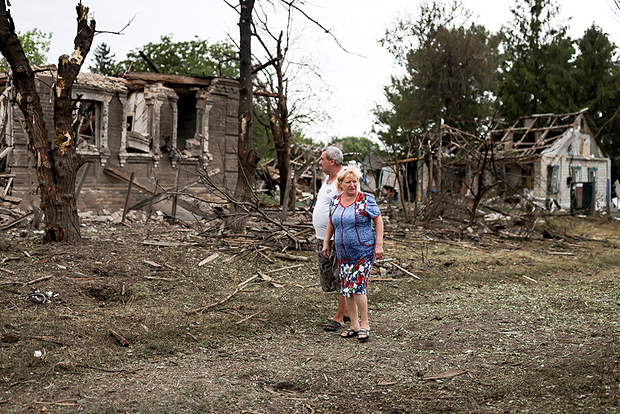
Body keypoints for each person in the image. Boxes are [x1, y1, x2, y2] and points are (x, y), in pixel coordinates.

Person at [322, 166, 384, 342]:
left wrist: (378, 245)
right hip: (343, 253)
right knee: (346, 289)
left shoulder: (366, 200)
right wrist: (326, 242)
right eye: (348, 182)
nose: (352, 185)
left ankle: (365, 325)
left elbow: (378, 221)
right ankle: (354, 325)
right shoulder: (335, 201)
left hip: (363, 250)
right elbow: (331, 223)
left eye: (355, 181)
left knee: (358, 287)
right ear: (340, 184)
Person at [312, 147, 350, 331]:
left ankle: (340, 316)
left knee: (340, 277)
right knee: (329, 278)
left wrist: (339, 235)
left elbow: (347, 207)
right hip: (323, 237)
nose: (320, 162)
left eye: (322, 159)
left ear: (332, 161)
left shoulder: (344, 180)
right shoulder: (327, 180)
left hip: (337, 238)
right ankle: (349, 311)